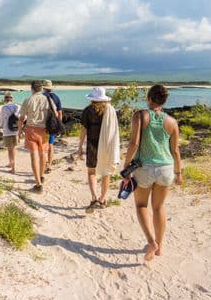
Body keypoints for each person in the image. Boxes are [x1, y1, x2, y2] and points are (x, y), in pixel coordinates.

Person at [122, 84, 182, 262]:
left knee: (141, 206)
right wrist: (179, 173)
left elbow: (134, 143)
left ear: (149, 98)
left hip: (144, 168)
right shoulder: (172, 122)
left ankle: (151, 242)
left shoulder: (140, 115)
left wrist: (126, 168)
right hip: (166, 168)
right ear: (164, 100)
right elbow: (176, 150)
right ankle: (160, 246)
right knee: (159, 208)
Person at [77, 87, 120, 213]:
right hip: (107, 145)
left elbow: (83, 130)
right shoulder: (110, 110)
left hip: (92, 144)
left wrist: (79, 146)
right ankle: (102, 199)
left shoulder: (88, 111)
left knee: (91, 172)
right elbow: (114, 129)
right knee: (106, 173)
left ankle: (94, 197)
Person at [18, 80, 52, 193]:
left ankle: (38, 184)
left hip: (31, 129)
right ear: (41, 88)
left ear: (31, 88)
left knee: (34, 157)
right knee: (43, 155)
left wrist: (19, 131)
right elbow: (55, 113)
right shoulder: (47, 99)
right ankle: (41, 176)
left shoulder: (28, 100)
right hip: (44, 130)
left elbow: (22, 118)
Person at [0, 92, 20, 173]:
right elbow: (23, 117)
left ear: (5, 99)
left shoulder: (4, 107)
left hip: (7, 131)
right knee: (14, 148)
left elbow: (1, 119)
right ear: (12, 99)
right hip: (16, 130)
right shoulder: (17, 106)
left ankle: (13, 168)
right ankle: (11, 163)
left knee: (9, 150)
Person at [42, 79, 63, 174]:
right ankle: (49, 165)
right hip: (53, 124)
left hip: (43, 124)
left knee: (42, 146)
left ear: (43, 88)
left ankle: (44, 165)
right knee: (50, 145)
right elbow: (60, 113)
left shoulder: (41, 97)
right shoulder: (56, 97)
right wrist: (59, 124)